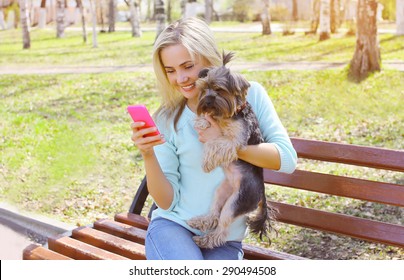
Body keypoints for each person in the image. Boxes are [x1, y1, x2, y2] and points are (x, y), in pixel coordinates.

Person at [130, 17, 297, 260]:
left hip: (224, 239)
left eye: (188, 66)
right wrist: (148, 155)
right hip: (174, 228)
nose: (180, 78)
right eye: (171, 71)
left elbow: (287, 159)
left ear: (210, 59)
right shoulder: (167, 119)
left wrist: (226, 142)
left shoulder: (251, 95)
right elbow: (166, 202)